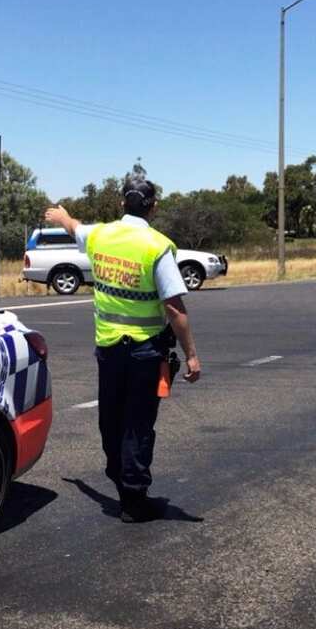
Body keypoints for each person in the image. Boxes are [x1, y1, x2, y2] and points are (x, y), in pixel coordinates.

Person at [44, 177, 201, 522]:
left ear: (121, 204)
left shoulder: (100, 235)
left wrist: (63, 217)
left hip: (109, 348)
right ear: (153, 206)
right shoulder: (156, 246)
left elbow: (75, 229)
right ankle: (134, 499)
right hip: (145, 352)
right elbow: (174, 308)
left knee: (111, 419)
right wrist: (191, 353)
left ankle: (120, 479)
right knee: (138, 423)